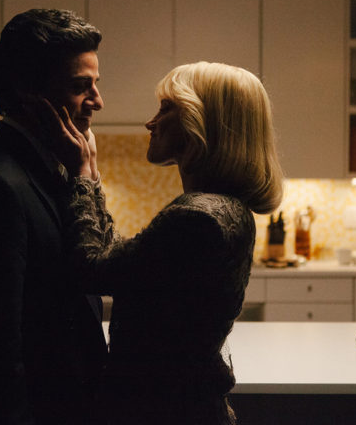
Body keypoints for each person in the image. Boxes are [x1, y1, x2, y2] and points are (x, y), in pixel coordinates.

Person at [50, 62, 284, 425]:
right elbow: (121, 262)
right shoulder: (226, 208)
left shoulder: (196, 217)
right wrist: (92, 176)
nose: (151, 122)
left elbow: (91, 268)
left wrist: (82, 177)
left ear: (198, 121)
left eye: (165, 108)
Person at [0, 9, 107, 425]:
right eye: (80, 87)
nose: (98, 101)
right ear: (30, 93)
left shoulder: (56, 169)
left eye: (96, 84)